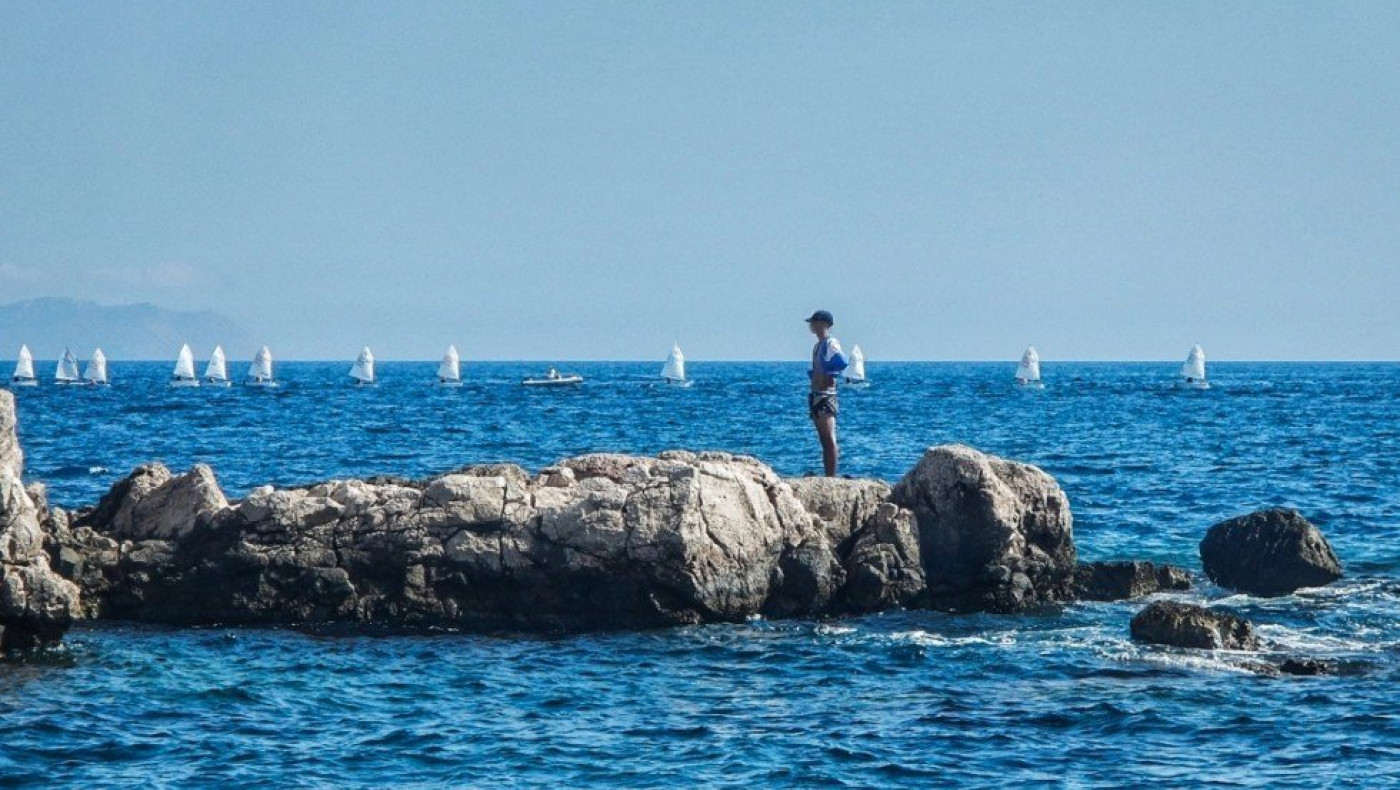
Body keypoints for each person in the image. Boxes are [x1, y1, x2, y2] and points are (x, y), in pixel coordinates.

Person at [805, 309, 849, 477]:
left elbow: (842, 361)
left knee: (829, 438)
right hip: (816, 394)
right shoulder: (817, 345)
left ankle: (832, 476)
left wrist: (829, 372)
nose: (811, 325)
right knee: (823, 439)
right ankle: (827, 474)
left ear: (822, 323)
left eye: (813, 322)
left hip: (826, 395)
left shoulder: (831, 343)